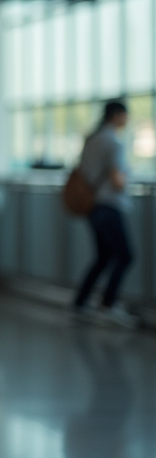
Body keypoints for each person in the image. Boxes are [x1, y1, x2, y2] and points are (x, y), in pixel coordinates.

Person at [71, 100, 138, 327]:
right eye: (125, 115)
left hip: (93, 206)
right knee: (126, 255)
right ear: (117, 116)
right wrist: (127, 178)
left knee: (103, 257)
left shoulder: (91, 139)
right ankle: (108, 305)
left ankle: (80, 302)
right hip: (110, 205)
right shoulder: (114, 143)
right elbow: (117, 181)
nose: (127, 120)